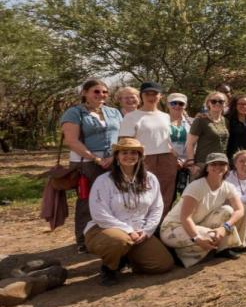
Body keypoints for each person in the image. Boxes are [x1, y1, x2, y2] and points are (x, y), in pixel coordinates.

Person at [85, 137, 174, 286]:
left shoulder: (150, 179)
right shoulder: (104, 180)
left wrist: (146, 231)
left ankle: (128, 257)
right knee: (120, 241)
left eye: (134, 153)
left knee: (163, 265)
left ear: (140, 156)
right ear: (117, 157)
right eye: (124, 152)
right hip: (105, 229)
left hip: (139, 231)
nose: (129, 156)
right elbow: (99, 214)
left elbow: (157, 208)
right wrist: (127, 230)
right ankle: (109, 267)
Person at [62, 79, 122, 252]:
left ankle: (110, 236)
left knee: (113, 199)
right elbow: (71, 141)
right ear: (84, 93)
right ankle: (83, 241)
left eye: (104, 92)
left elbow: (122, 135)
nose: (101, 95)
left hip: (113, 161)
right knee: (87, 201)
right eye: (96, 91)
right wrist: (95, 159)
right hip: (86, 163)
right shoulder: (74, 113)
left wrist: (113, 156)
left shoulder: (114, 112)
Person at [159, 152, 246, 267]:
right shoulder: (196, 186)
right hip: (173, 227)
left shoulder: (228, 187)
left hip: (198, 223)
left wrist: (224, 228)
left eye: (222, 164)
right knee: (211, 237)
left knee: (228, 211)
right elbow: (185, 218)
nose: (218, 167)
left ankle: (221, 249)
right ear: (207, 168)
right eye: (213, 164)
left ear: (227, 167)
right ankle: (179, 254)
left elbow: (239, 210)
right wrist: (196, 238)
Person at [118, 82, 177, 219]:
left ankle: (161, 226)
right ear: (141, 96)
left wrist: (175, 156)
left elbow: (170, 139)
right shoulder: (131, 117)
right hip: (143, 159)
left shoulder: (166, 116)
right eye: (147, 94)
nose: (151, 97)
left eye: (155, 93)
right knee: (143, 194)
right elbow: (125, 143)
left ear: (161, 96)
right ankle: (141, 225)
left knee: (166, 194)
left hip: (166, 159)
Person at [185, 91, 230, 176]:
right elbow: (190, 143)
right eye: (213, 101)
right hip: (203, 164)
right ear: (208, 103)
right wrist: (191, 163)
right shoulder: (200, 120)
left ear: (225, 104)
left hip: (221, 164)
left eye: (221, 101)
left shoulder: (225, 121)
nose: (217, 103)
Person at [167, 92, 192, 198]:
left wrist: (188, 160)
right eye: (174, 103)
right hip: (168, 162)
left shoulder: (192, 122)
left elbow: (194, 143)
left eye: (181, 104)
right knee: (168, 195)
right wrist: (174, 159)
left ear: (185, 106)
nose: (177, 106)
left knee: (186, 196)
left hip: (187, 164)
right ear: (168, 104)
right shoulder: (161, 121)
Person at [226, 94, 246, 172]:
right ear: (235, 105)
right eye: (241, 104)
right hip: (233, 159)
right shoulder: (228, 120)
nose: (244, 106)